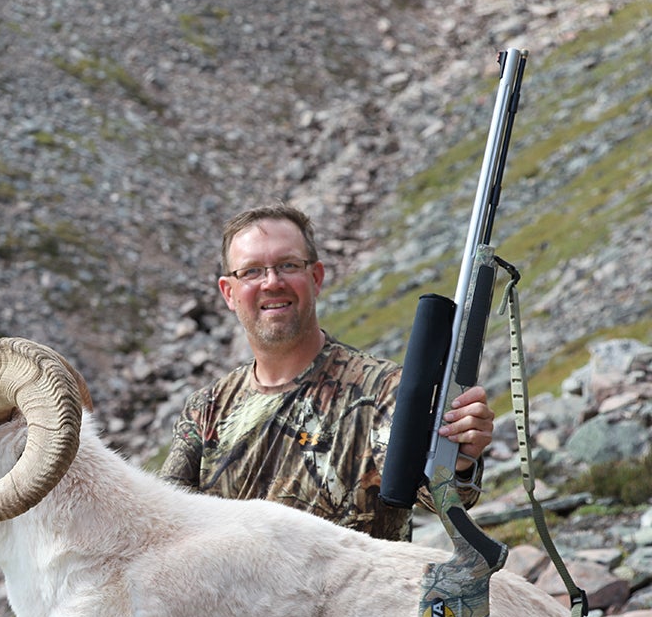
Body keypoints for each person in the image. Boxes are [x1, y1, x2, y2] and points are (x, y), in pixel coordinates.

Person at [159, 202, 494, 541]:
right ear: (228, 292)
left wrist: (460, 454)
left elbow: (437, 492)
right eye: (252, 271)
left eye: (288, 265)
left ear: (315, 277)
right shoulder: (206, 410)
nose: (272, 282)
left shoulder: (383, 392)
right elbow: (163, 522)